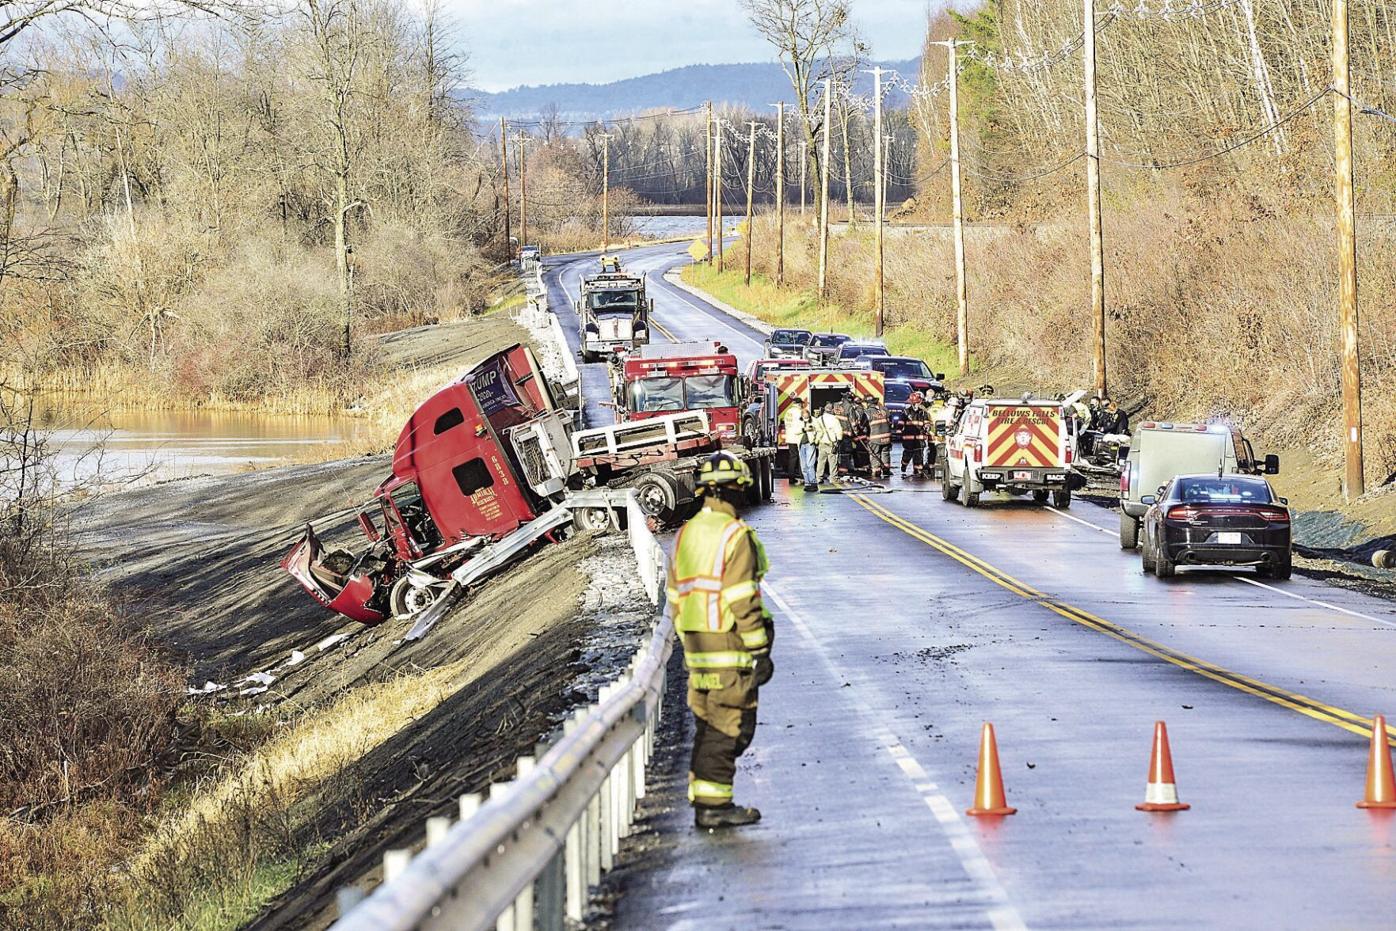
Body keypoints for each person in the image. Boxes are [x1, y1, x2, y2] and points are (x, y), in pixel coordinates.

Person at [665, 452, 774, 830]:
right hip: (728, 647)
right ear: (733, 490)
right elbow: (741, 598)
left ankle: (705, 797)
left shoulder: (686, 533)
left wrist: (689, 640)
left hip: (697, 650)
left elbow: (675, 596)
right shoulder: (733, 535)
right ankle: (713, 805)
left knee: (710, 724)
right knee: (730, 727)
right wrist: (759, 650)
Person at [812, 403, 843, 485]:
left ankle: (818, 478)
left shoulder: (819, 419)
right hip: (831, 443)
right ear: (832, 410)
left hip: (822, 443)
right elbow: (839, 431)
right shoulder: (834, 419)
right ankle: (833, 478)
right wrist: (838, 441)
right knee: (833, 461)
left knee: (821, 461)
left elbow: (815, 431)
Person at [901, 392, 929, 476]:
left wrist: (927, 427)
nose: (920, 403)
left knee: (918, 455)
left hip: (919, 438)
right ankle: (904, 465)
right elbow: (900, 424)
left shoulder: (923, 413)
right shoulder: (906, 412)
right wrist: (899, 433)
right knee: (907, 454)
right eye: (918, 402)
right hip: (909, 438)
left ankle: (918, 470)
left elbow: (926, 422)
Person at [865, 394, 892, 479]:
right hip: (887, 437)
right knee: (885, 453)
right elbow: (890, 423)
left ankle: (877, 471)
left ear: (868, 403)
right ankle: (886, 469)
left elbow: (863, 426)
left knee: (874, 454)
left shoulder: (868, 412)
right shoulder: (885, 410)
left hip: (875, 438)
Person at [782, 398, 809, 483]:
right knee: (802, 457)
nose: (802, 405)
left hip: (790, 437)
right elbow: (802, 425)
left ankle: (791, 477)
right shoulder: (799, 412)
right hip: (798, 437)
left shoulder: (788, 412)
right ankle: (802, 476)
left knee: (793, 457)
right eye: (802, 404)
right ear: (799, 404)